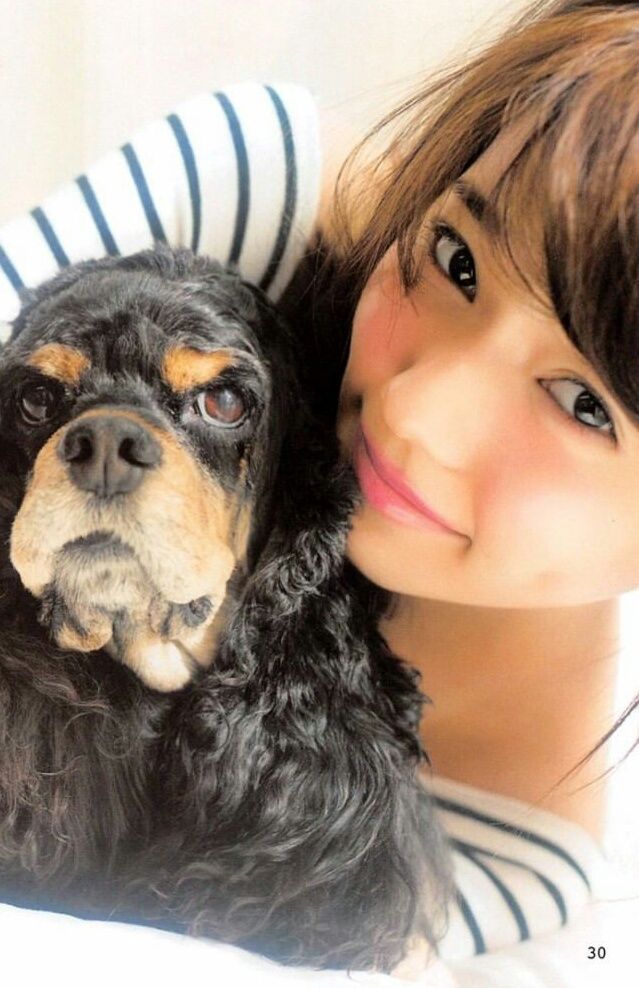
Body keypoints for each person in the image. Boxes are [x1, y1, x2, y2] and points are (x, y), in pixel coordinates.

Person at [0, 0, 636, 983]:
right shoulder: (260, 184)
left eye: (583, 404)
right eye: (456, 260)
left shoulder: (517, 855)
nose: (413, 413)